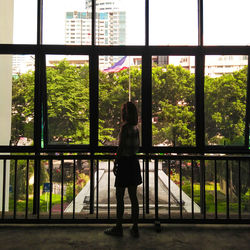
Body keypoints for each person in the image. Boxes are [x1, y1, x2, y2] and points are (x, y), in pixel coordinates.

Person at [104, 101, 142, 238]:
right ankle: (135, 227)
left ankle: (119, 227)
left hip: (125, 163)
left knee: (119, 196)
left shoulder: (125, 128)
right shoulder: (136, 128)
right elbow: (137, 147)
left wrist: (116, 163)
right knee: (133, 197)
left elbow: (120, 148)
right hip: (133, 162)